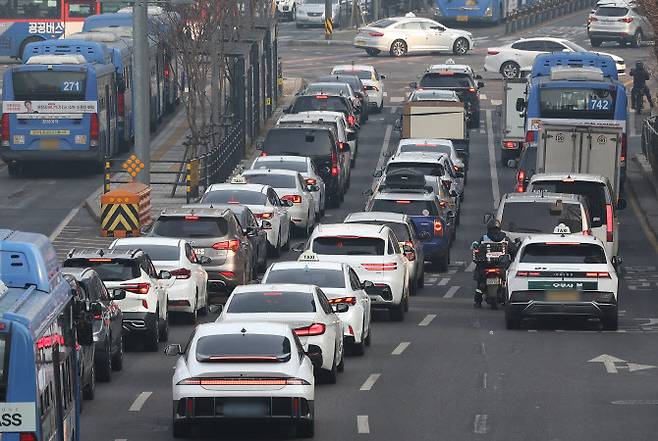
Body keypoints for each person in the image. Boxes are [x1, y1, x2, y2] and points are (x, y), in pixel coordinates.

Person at [471, 219, 517, 307]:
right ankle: (504, 299)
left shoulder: (484, 238)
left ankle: (478, 301)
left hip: (485, 265)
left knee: (480, 284)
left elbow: (478, 250)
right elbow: (513, 250)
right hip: (501, 266)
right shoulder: (505, 238)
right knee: (507, 281)